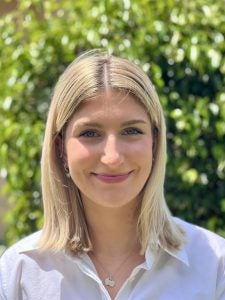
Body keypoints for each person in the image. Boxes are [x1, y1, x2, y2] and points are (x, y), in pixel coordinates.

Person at [0, 49, 225, 300]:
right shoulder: (19, 273)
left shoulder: (214, 265)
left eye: (131, 131)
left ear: (154, 142)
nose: (112, 157)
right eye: (90, 133)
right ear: (60, 148)